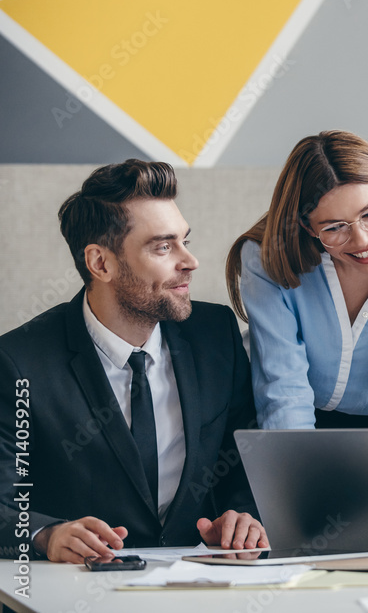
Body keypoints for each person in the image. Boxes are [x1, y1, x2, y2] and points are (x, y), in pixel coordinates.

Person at [0, 160, 267, 564]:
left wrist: (241, 517)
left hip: (196, 584)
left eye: (184, 241)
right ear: (100, 263)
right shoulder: (18, 363)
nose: (189, 261)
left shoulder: (216, 335)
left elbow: (243, 453)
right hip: (74, 593)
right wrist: (46, 535)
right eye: (163, 246)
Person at [226, 131, 368, 429]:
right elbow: (284, 390)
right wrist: (299, 471)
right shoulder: (264, 257)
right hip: (275, 418)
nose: (362, 240)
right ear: (308, 227)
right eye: (335, 227)